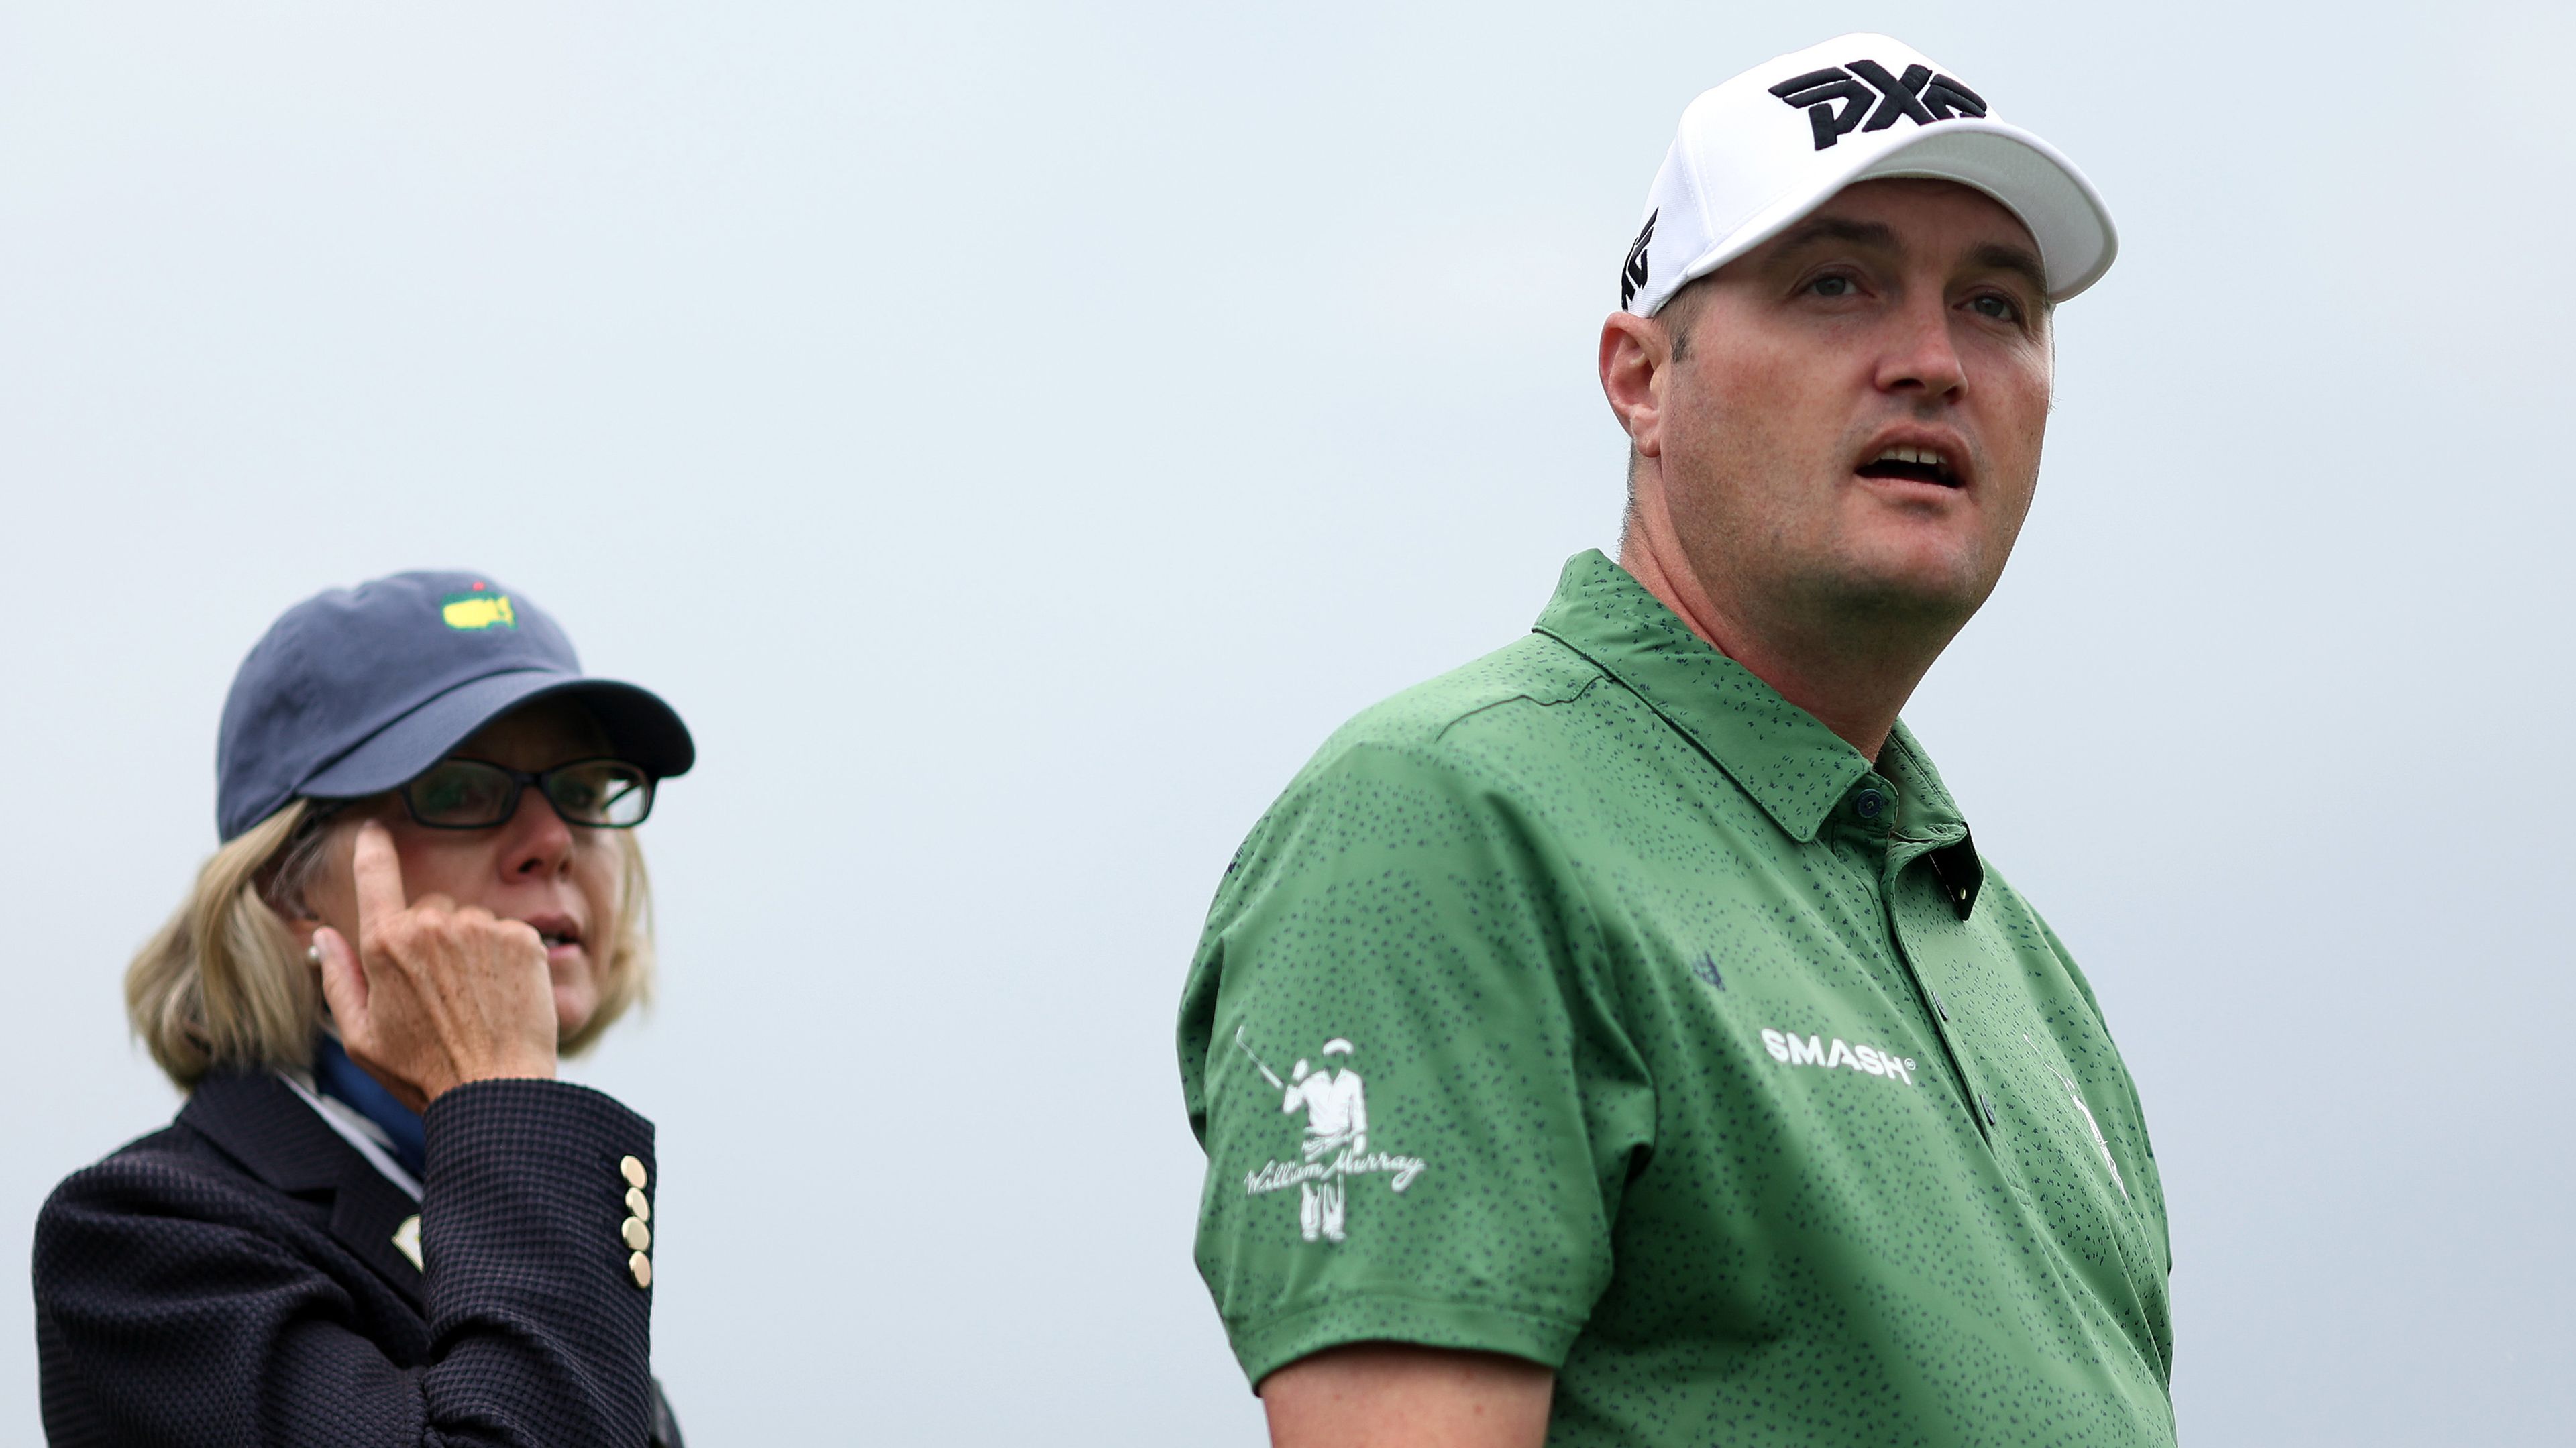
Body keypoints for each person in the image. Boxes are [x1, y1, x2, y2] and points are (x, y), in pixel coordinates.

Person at [1178, 32, 2173, 1447]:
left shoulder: (2027, 977)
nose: (1935, 362)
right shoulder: (1449, 819)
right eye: (1836, 282)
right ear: (1642, 380)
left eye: (1999, 305)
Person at [34, 571, 694, 1447]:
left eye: (583, 788)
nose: (552, 841)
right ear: (284, 883)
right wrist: (503, 1095)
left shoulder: (506, 1217)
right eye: (461, 788)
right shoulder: (146, 1242)